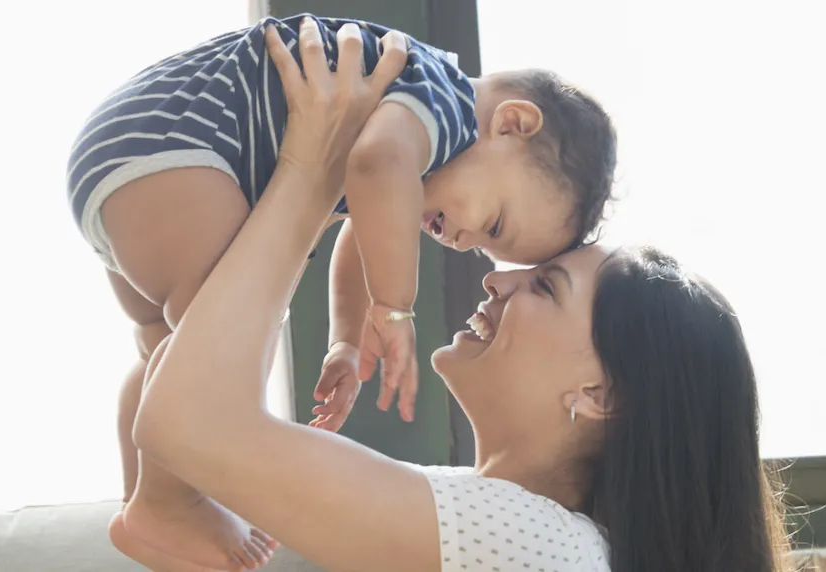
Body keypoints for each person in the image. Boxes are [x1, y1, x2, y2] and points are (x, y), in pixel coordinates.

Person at [123, 18, 789, 572]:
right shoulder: (506, 526)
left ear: (602, 395)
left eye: (546, 286)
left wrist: (310, 163)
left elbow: (187, 423)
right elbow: (189, 422)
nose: (494, 277)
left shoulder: (541, 545)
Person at [67, 12, 616, 570]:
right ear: (514, 123)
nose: (466, 246)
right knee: (227, 334)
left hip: (128, 155)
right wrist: (396, 308)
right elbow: (375, 168)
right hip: (180, 152)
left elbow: (364, 217)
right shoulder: (441, 101)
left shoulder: (409, 131)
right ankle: (170, 500)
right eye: (494, 225)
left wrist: (346, 343)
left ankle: (147, 500)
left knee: (167, 345)